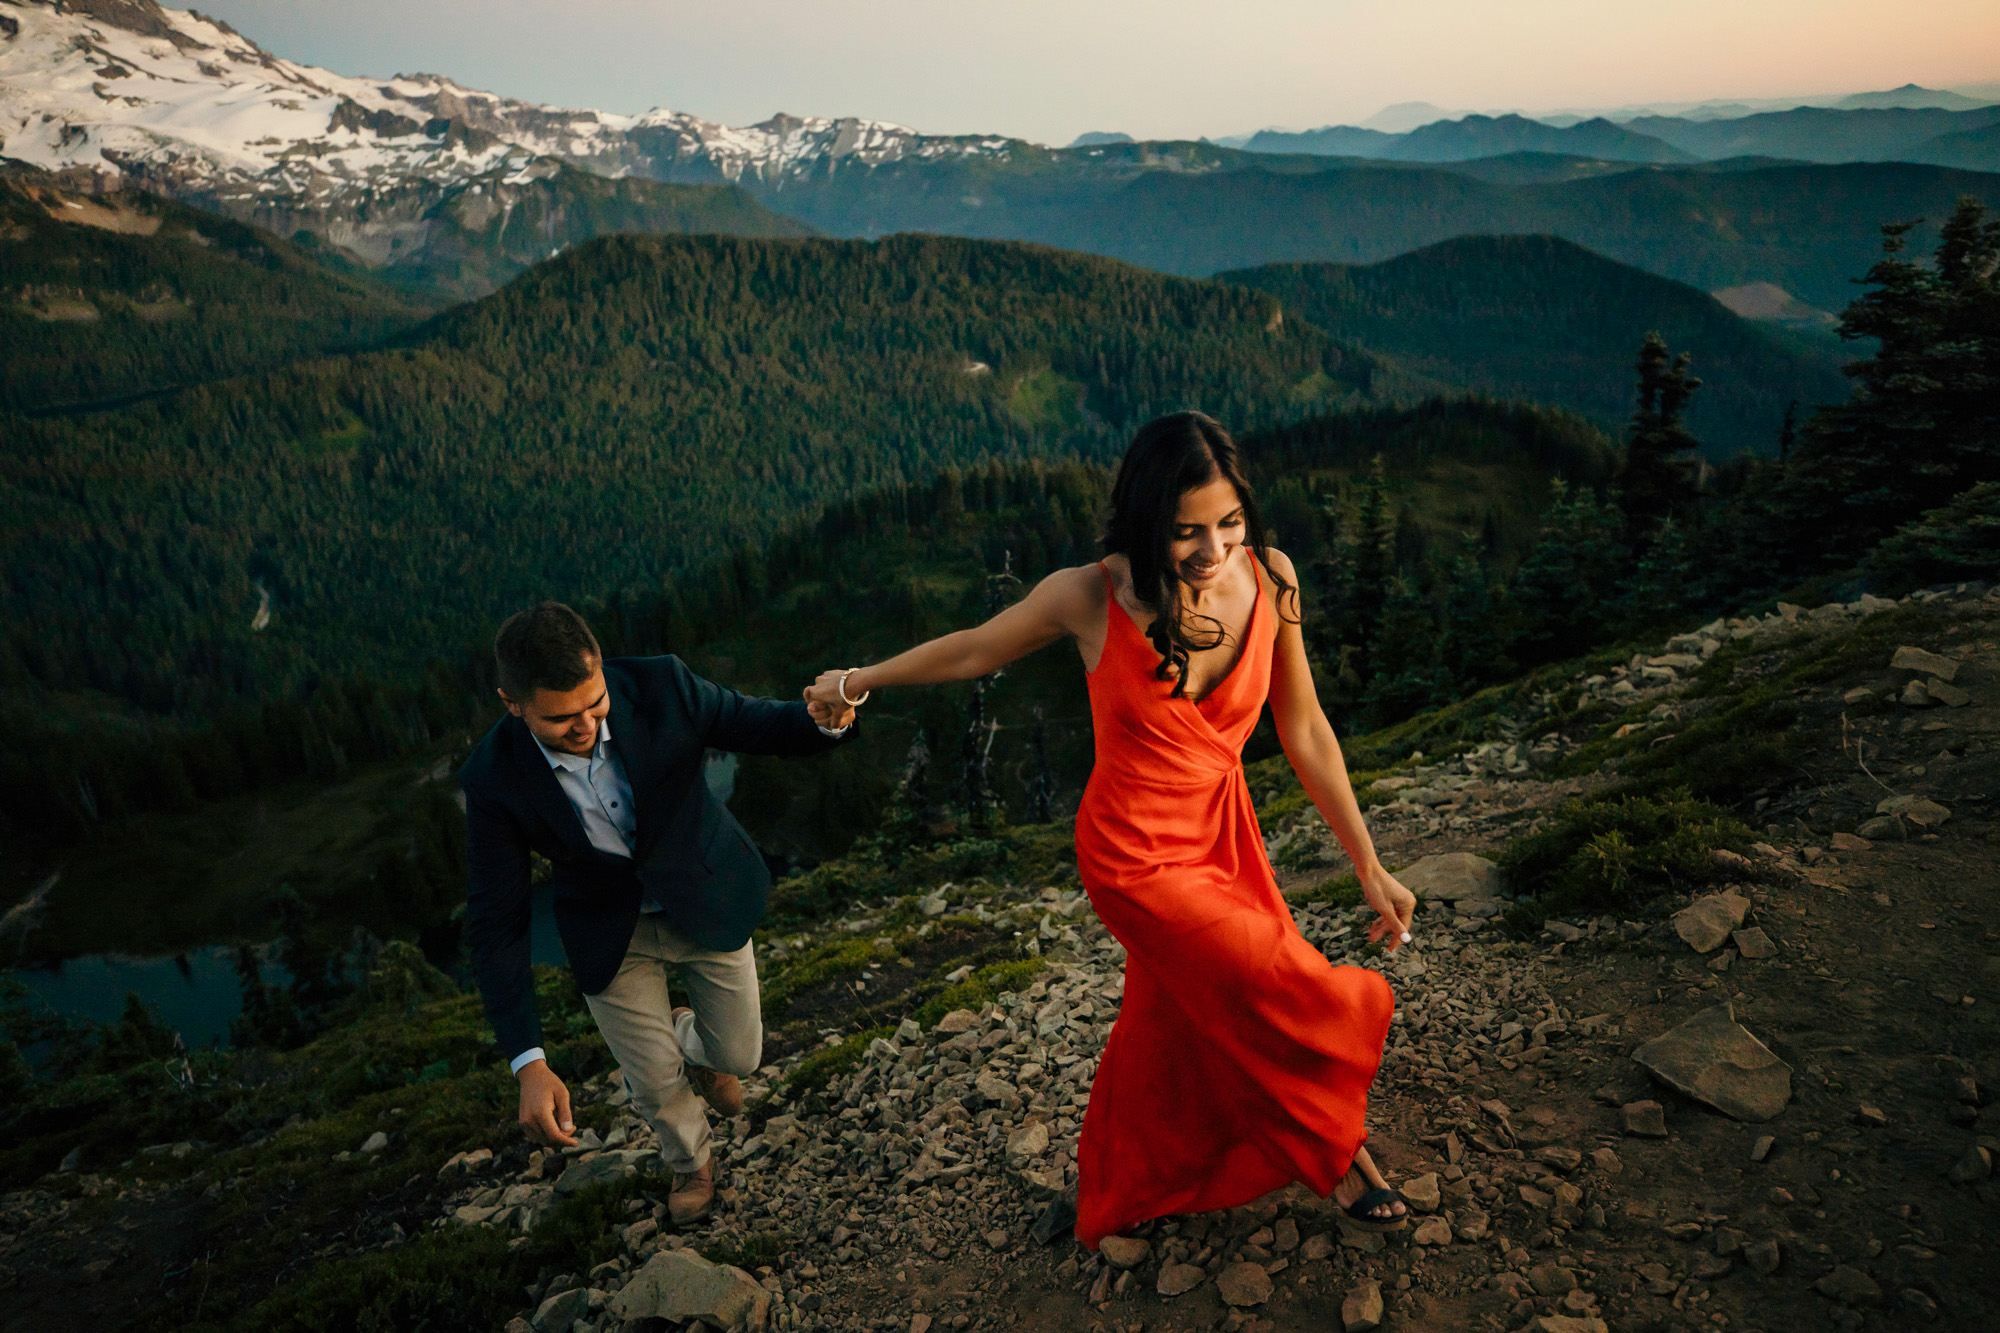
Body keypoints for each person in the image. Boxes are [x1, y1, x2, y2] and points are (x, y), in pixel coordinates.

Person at [804, 411, 1418, 1246]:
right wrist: (853, 680)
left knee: (1178, 1015)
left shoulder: (1272, 577)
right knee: (1274, 976)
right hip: (1132, 855)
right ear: (1144, 520)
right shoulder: (1091, 594)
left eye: (1229, 523)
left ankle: (1137, 1176)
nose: (1213, 550)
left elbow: (1304, 729)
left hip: (1221, 831)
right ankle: (1334, 1143)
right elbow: (973, 651)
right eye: (1186, 531)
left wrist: (1368, 864)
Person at [460, 602, 854, 1224]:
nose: (586, 725)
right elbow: (496, 919)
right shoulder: (491, 778)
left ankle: (691, 1040)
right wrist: (527, 1062)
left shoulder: (664, 684)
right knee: (651, 1080)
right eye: (561, 718)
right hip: (609, 932)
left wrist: (827, 721)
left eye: (596, 704)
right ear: (513, 704)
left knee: (740, 1058)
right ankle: (691, 1163)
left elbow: (759, 724)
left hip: (703, 897)